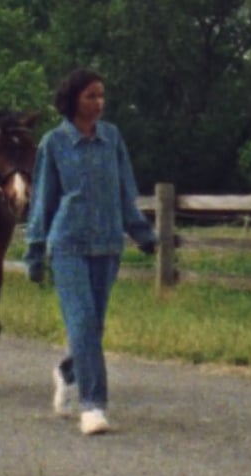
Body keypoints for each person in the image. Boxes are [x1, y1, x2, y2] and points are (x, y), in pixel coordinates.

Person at [22, 67, 158, 436]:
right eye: (91, 97)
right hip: (68, 246)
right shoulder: (54, 143)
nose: (99, 103)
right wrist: (35, 252)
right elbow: (43, 203)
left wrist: (143, 233)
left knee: (92, 329)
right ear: (73, 100)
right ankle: (93, 407)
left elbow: (124, 191)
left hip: (108, 245)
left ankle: (67, 371)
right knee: (81, 323)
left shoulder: (112, 138)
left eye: (102, 96)